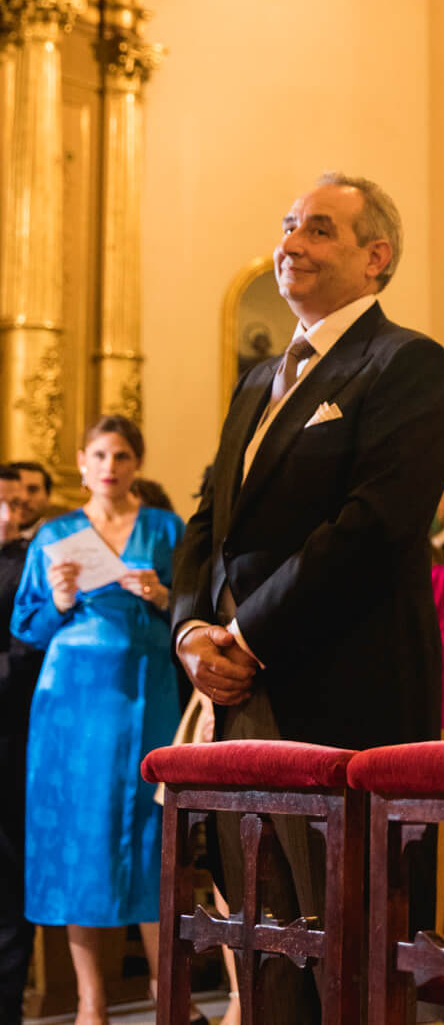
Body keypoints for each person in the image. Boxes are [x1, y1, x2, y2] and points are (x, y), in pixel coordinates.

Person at [172, 172, 444, 1024]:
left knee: (350, 949)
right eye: (288, 224)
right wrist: (191, 627)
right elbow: (206, 515)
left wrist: (245, 632)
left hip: (342, 691)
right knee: (262, 938)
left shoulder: (406, 363)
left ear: (376, 258)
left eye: (319, 230)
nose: (291, 242)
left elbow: (370, 526)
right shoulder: (260, 377)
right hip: (238, 694)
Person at [10, 416, 184, 1025]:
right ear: (82, 462)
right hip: (69, 705)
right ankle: (90, 1002)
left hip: (145, 694)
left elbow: (198, 610)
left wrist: (164, 597)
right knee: (79, 840)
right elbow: (25, 626)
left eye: (124, 455)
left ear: (137, 464)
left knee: (150, 837)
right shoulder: (54, 532)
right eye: (101, 455)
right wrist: (57, 600)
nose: (111, 466)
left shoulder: (166, 528)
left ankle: (170, 994)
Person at [0, 467, 35, 1025]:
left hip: (10, 730)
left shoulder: (29, 559)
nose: (8, 514)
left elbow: (28, 645)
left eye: (15, 504)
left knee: (6, 877)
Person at [4, 463, 53, 543]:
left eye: (32, 490)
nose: (23, 498)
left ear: (48, 498)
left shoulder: (59, 539)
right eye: (16, 489)